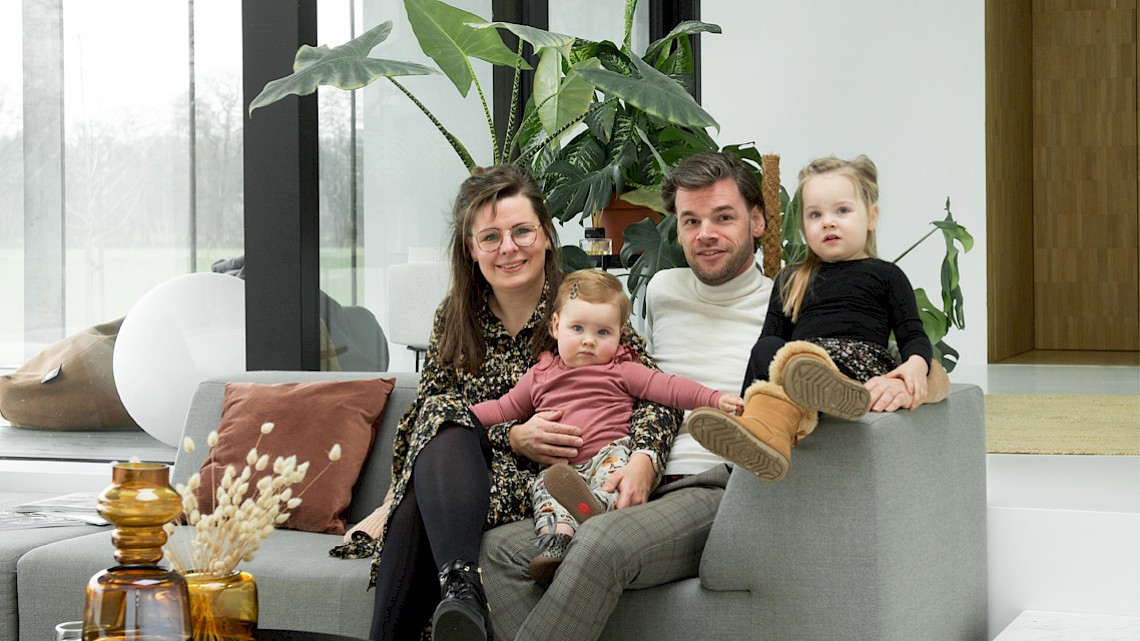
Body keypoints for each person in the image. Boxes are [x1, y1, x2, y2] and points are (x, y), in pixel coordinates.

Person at [480, 152, 952, 641]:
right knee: (498, 549)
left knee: (599, 542)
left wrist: (913, 376)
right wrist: (640, 454)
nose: (706, 233)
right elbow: (638, 380)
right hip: (634, 478)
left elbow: (907, 365)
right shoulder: (660, 292)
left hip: (717, 485)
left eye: (723, 217)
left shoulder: (788, 298)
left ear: (757, 220)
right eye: (691, 221)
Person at [328, 164, 679, 641]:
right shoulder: (455, 317)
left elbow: (656, 393)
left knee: (417, 502)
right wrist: (510, 435)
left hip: (558, 486)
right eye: (490, 237)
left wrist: (644, 458)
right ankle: (461, 587)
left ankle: (456, 591)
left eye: (521, 231)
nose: (509, 248)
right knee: (435, 417)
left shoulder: (584, 308)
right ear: (471, 250)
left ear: (547, 237)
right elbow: (430, 418)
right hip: (469, 483)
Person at [467, 269, 742, 587]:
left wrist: (715, 399)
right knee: (543, 490)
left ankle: (595, 507)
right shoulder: (539, 375)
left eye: (602, 333)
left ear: (619, 333)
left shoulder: (623, 371)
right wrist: (459, 416)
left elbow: (671, 389)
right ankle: (554, 545)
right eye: (578, 328)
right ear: (556, 326)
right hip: (562, 470)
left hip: (609, 454)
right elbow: (502, 409)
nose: (588, 340)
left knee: (612, 478)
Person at [688, 154, 943, 482]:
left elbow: (912, 334)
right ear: (804, 225)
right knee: (769, 348)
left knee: (803, 360)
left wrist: (915, 366)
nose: (828, 222)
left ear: (871, 216)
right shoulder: (791, 278)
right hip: (798, 369)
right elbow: (770, 340)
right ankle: (759, 431)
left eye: (842, 211)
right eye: (815, 214)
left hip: (857, 366)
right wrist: (748, 396)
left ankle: (831, 393)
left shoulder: (887, 275)